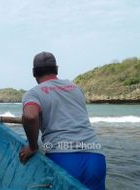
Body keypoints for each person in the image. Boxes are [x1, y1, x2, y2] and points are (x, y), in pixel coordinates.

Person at [19, 52, 106, 190]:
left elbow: (30, 116)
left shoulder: (34, 93)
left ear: (34, 72)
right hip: (95, 156)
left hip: (63, 157)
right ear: (56, 69)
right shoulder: (76, 88)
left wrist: (33, 146)